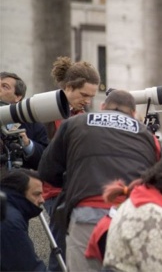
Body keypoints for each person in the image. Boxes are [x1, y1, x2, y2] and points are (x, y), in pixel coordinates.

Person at [39, 89, 162, 272]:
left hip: (87, 213)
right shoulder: (149, 137)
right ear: (134, 113)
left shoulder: (75, 123)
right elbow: (159, 181)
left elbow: (47, 170)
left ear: (103, 107)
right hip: (132, 216)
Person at [42, 56, 100, 271]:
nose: (87, 101)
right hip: (56, 191)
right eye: (83, 94)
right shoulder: (47, 112)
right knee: (61, 254)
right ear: (68, 87)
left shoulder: (80, 115)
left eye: (91, 97)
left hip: (77, 189)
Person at [0, 72, 49, 170]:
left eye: (5, 87)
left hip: (20, 180)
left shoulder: (33, 124)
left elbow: (46, 160)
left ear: (18, 97)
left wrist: (27, 145)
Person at [0, 169, 46, 271]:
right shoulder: (10, 222)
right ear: (19, 194)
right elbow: (27, 267)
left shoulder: (9, 211)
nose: (42, 200)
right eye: (36, 194)